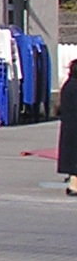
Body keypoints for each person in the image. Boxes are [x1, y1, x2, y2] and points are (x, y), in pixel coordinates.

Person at [61, 60, 77, 194]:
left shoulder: (69, 85)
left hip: (69, 127)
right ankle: (74, 186)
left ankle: (73, 185)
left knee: (72, 159)